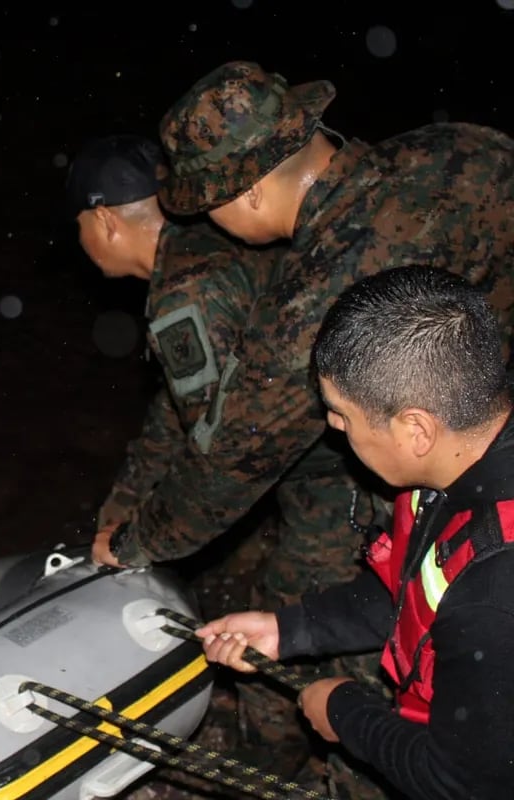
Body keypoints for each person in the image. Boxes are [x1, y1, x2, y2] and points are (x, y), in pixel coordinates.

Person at [66, 134, 389, 791]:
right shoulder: (210, 251)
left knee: (288, 628)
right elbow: (179, 419)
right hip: (332, 466)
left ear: (103, 221)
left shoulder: (189, 294)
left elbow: (227, 461)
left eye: (77, 229)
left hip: (338, 486)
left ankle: (262, 770)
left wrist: (133, 541)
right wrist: (123, 505)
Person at [198, 265, 514, 800]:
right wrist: (288, 630)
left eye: (342, 414)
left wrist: (344, 711)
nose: (333, 428)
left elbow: (464, 782)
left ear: (416, 429)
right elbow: (417, 587)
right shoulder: (454, 471)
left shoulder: (494, 598)